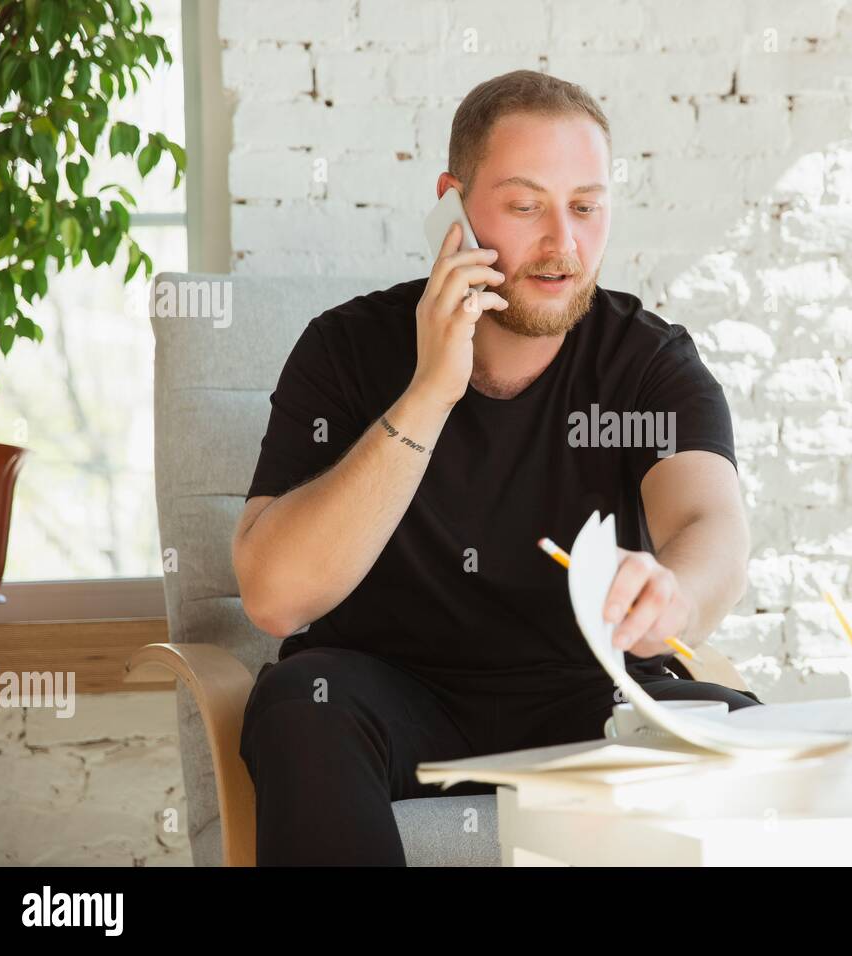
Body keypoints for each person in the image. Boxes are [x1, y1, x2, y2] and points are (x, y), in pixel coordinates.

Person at [231, 69, 759, 866]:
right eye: (524, 206)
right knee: (301, 704)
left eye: (585, 206)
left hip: (590, 697)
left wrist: (675, 589)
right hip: (390, 698)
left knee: (745, 735)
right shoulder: (345, 350)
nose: (564, 244)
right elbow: (274, 598)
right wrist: (429, 393)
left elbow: (710, 524)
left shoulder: (646, 363)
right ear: (453, 203)